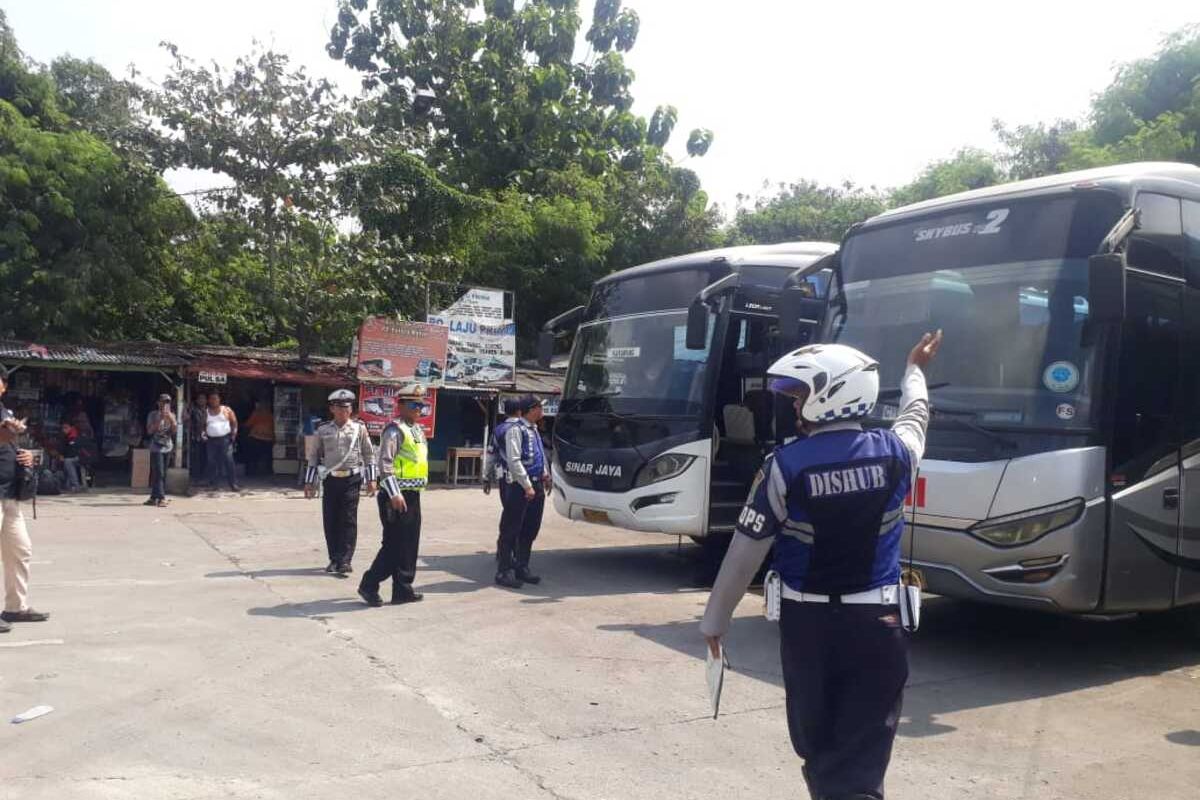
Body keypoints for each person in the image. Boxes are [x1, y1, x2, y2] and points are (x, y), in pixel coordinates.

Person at [700, 332, 941, 800]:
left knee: (818, 742)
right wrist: (915, 369)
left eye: (800, 396)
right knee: (864, 748)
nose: (794, 407)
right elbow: (916, 414)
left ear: (831, 395)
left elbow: (745, 549)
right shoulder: (897, 454)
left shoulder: (784, 467)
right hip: (878, 623)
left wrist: (716, 620)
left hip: (807, 626)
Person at [359, 389, 427, 606]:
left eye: (421, 406)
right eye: (415, 406)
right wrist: (394, 493)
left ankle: (403, 589)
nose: (419, 410)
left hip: (413, 494)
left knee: (409, 544)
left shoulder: (416, 430)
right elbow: (385, 465)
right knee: (394, 545)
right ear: (402, 405)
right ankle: (369, 584)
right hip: (395, 495)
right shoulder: (394, 430)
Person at [305, 389, 377, 577]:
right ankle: (334, 558)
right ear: (332, 409)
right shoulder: (323, 430)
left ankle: (345, 560)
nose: (344, 411)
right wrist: (309, 483)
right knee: (331, 519)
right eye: (340, 407)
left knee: (348, 519)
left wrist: (372, 479)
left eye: (347, 407)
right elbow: (314, 457)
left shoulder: (359, 429)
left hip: (352, 479)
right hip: (331, 479)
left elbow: (369, 455)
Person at [0, 366, 50, 633]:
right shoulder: (6, 420)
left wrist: (26, 455)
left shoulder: (5, 412)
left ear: (4, 385)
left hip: (9, 494)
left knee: (20, 550)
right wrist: (8, 432)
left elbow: (9, 441)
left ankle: (15, 607)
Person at [495, 395, 550, 589]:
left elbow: (539, 456)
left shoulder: (533, 429)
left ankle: (522, 566)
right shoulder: (515, 430)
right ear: (530, 410)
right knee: (511, 529)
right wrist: (526, 485)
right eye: (539, 407)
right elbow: (514, 460)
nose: (542, 411)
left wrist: (545, 474)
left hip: (537, 485)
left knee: (530, 529)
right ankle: (504, 571)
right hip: (519, 486)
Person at [483, 397, 521, 561]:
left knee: (508, 513)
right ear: (520, 411)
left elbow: (491, 455)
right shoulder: (521, 429)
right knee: (518, 516)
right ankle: (511, 551)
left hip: (503, 479)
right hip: (520, 479)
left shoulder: (498, 430)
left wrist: (486, 477)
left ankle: (503, 548)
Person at [203, 391, 240, 491]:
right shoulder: (206, 411)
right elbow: (203, 425)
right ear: (209, 401)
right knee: (211, 461)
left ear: (219, 399)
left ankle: (233, 484)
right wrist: (203, 434)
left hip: (225, 439)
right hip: (211, 440)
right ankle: (214, 484)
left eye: (215, 398)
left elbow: (234, 422)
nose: (213, 401)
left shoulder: (226, 410)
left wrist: (234, 434)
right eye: (211, 399)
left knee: (229, 460)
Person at [145, 394, 177, 507]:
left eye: (167, 402)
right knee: (159, 472)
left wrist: (172, 420)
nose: (165, 404)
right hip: (156, 446)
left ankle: (154, 497)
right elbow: (149, 431)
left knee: (162, 474)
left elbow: (174, 431)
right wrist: (160, 419)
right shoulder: (153, 415)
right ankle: (162, 498)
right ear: (158, 403)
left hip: (167, 446)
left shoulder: (172, 415)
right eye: (163, 402)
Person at [244, 400, 275, 476]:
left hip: (256, 437)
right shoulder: (270, 415)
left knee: (252, 454)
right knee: (267, 455)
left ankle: (252, 471)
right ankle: (268, 470)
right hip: (269, 438)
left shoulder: (256, 413)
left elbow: (248, 424)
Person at [188, 393, 208, 481]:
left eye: (203, 398)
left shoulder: (209, 411)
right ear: (196, 401)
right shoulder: (194, 410)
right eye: (200, 399)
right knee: (196, 458)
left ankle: (205, 477)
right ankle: (196, 477)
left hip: (208, 438)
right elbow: (188, 420)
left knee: (206, 457)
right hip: (196, 437)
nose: (201, 400)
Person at [60, 421, 84, 492]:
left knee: (68, 462)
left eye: (66, 428)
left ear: (70, 427)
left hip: (80, 456)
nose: (64, 430)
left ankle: (75, 485)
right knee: (66, 462)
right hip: (72, 456)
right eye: (63, 428)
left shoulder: (74, 435)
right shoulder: (66, 436)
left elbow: (73, 450)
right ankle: (67, 485)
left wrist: (64, 457)